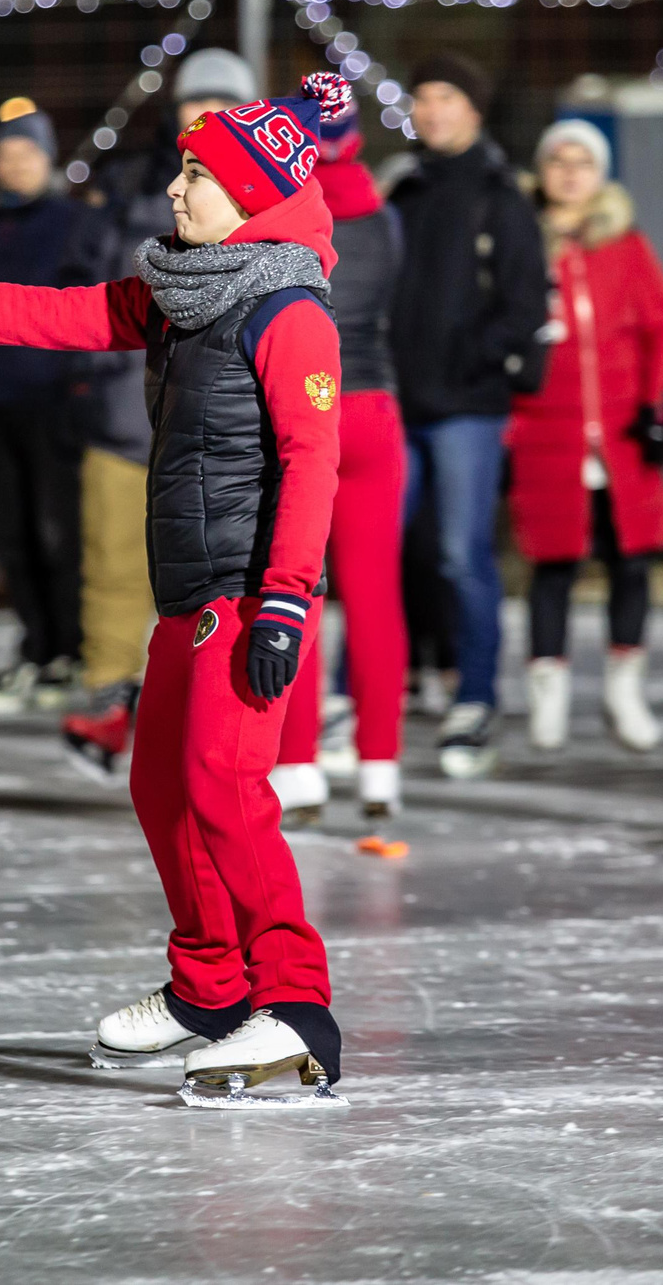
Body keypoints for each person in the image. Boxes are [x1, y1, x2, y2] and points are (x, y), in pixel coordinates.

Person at [0, 82, 348, 1105]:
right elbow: (39, 314)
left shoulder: (288, 311)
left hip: (245, 593)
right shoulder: (183, 291)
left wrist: (287, 600)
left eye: (200, 177)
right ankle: (210, 987)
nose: (176, 192)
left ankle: (296, 1002)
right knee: (157, 790)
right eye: (181, 170)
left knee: (224, 791)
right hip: (184, 593)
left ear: (255, 196)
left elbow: (314, 463)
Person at [63, 48, 259, 781]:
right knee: (112, 558)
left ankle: (219, 712)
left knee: (216, 571)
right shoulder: (128, 187)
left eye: (220, 102)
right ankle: (111, 696)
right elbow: (85, 287)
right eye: (192, 101)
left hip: (212, 419)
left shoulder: (266, 204)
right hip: (123, 404)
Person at [387, 51, 549, 777]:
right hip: (397, 402)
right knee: (376, 550)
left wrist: (466, 361)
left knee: (460, 554)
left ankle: (476, 696)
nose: (430, 110)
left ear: (475, 108)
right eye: (422, 97)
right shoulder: (407, 190)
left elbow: (524, 308)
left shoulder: (500, 195)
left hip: (467, 409)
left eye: (446, 96)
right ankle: (359, 693)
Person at [508, 117, 663, 757]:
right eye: (558, 161)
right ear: (543, 172)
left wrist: (655, 407)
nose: (570, 174)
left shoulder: (626, 246)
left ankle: (624, 688)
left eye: (583, 162)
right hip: (549, 437)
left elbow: (660, 327)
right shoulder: (523, 244)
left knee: (631, 562)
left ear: (600, 175)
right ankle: (547, 695)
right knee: (554, 565)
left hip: (624, 439)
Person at [271, 77, 410, 826]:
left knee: (301, 584)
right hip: (378, 408)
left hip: (309, 404)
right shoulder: (386, 217)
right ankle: (381, 765)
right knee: (377, 592)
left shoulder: (283, 207)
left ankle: (298, 767)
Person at [0, 98, 88, 716]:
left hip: (53, 402)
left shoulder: (69, 224)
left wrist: (75, 391)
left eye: (26, 154)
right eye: (5, 155)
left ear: (48, 159)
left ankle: (71, 647)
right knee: (11, 536)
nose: (15, 166)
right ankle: (36, 645)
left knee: (59, 533)